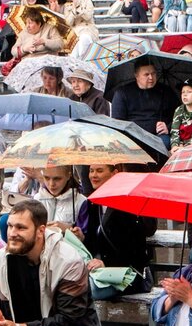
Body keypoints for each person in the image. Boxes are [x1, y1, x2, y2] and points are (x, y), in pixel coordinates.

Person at [77, 163, 157, 298]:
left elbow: (135, 249)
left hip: (128, 275)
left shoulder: (127, 203)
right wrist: (81, 237)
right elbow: (94, 242)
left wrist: (106, 264)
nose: (93, 175)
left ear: (114, 173)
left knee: (83, 290)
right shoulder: (92, 203)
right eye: (91, 171)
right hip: (99, 272)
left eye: (99, 171)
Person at [110, 56, 177, 143]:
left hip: (159, 136)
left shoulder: (166, 91)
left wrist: (168, 127)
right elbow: (117, 121)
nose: (151, 77)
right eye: (146, 74)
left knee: (164, 143)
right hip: (132, 136)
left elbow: (178, 115)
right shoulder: (122, 93)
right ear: (136, 75)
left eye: (153, 73)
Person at [35, 165, 82, 234]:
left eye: (57, 179)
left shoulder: (81, 201)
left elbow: (85, 236)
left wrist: (68, 230)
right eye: (47, 178)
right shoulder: (37, 198)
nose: (51, 184)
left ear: (68, 176)